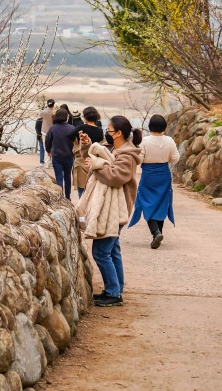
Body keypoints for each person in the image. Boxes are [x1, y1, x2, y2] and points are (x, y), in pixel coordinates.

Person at [76, 115, 142, 307]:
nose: (107, 132)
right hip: (112, 208)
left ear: (119, 133)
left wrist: (96, 167)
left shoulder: (127, 156)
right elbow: (99, 158)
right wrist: (87, 146)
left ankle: (114, 293)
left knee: (101, 251)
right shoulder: (116, 150)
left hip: (115, 209)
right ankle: (116, 288)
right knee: (112, 250)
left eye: (110, 130)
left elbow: (114, 177)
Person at [130, 114, 181, 249]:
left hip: (149, 175)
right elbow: (176, 158)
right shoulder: (169, 140)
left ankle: (155, 232)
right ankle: (158, 233)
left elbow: (139, 160)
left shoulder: (145, 141)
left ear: (150, 126)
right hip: (164, 173)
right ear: (164, 126)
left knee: (146, 202)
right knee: (161, 203)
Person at [70, 106, 104, 198]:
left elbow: (69, 135)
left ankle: (82, 209)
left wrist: (76, 143)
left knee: (82, 190)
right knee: (92, 189)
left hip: (82, 159)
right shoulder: (100, 130)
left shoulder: (81, 127)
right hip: (94, 160)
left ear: (84, 117)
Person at [44, 108, 75, 198]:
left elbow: (47, 140)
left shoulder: (53, 128)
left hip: (57, 156)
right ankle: (68, 197)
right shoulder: (71, 128)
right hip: (69, 156)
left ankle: (59, 197)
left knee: (59, 178)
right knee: (68, 177)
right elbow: (75, 142)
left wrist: (48, 150)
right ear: (66, 117)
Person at [38, 98, 55, 165]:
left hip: (45, 131)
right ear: (54, 104)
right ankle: (53, 162)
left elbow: (39, 115)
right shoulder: (55, 112)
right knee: (53, 147)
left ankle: (47, 163)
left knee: (46, 147)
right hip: (53, 131)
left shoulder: (44, 112)